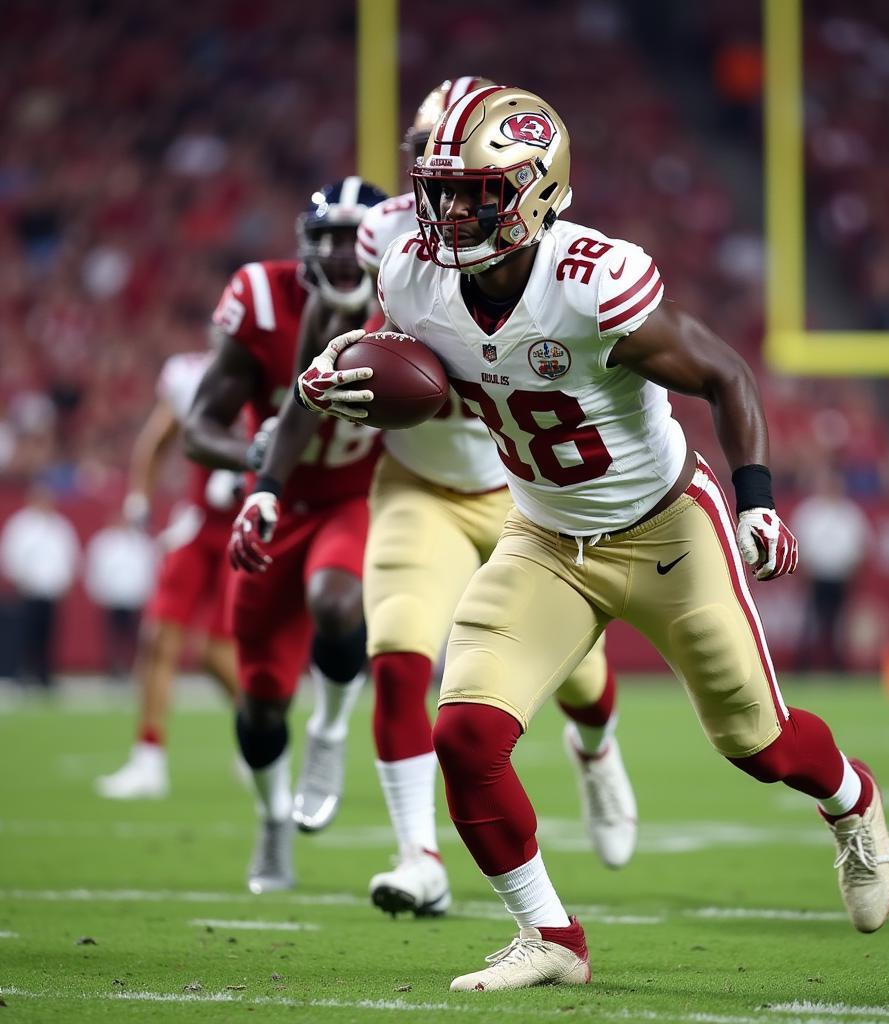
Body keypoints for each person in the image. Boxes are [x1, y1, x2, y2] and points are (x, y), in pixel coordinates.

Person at [299, 86, 889, 990]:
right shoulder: (414, 275)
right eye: (442, 190)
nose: (452, 212)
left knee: (759, 745)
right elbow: (408, 357)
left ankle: (854, 804)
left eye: (479, 193)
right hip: (543, 536)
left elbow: (725, 375)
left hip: (666, 529)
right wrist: (340, 366)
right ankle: (551, 936)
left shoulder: (591, 280)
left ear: (538, 192)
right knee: (464, 733)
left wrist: (758, 501)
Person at [249, 78, 637, 918]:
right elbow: (317, 364)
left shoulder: (543, 246)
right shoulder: (382, 237)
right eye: (427, 149)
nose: (441, 172)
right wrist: (274, 478)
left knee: (581, 676)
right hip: (419, 482)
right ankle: (417, 856)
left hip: (519, 485)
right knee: (397, 658)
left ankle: (598, 749)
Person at [186, 177, 386, 894]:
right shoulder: (265, 300)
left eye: (351, 236)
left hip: (351, 501)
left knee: (339, 602)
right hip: (273, 505)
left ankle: (330, 733)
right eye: (326, 235)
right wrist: (255, 457)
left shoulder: (410, 304)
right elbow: (196, 427)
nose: (338, 252)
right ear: (307, 244)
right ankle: (273, 821)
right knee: (261, 697)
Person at [95, 350, 242, 800]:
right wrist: (139, 497)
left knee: (216, 655)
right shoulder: (191, 374)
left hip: (247, 527)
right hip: (198, 524)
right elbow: (157, 441)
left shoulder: (282, 370)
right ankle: (148, 760)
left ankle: (260, 736)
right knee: (158, 637)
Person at [0, 480, 79, 689]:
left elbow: (69, 555)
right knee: (27, 633)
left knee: (49, 633)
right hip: (29, 589)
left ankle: (45, 673)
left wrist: (66, 580)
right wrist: (18, 578)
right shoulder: (21, 525)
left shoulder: (60, 526)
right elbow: (10, 553)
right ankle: (24, 672)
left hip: (52, 590)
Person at [791, 468, 871, 672]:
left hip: (841, 578)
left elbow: (862, 547)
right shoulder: (809, 512)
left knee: (839, 626)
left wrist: (852, 572)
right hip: (816, 578)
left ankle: (838, 665)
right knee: (813, 624)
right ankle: (807, 664)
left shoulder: (850, 513)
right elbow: (798, 545)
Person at [83, 513, 158, 680]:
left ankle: (133, 666)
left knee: (134, 637)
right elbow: (95, 567)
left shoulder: (140, 542)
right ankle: (113, 667)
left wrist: (147, 594)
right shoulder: (103, 542)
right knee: (112, 636)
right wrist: (97, 592)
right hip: (112, 597)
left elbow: (149, 569)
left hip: (134, 598)